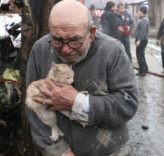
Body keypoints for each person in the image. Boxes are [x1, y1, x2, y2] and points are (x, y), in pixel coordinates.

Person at [25, 0, 138, 156]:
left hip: (111, 152)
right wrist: (60, 151)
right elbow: (32, 109)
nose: (65, 49)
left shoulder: (112, 51)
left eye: (74, 40)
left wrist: (77, 103)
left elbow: (128, 104)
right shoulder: (40, 49)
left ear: (91, 34)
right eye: (57, 40)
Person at [134, 6, 149, 76]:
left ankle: (142, 71)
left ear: (142, 12)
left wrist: (139, 40)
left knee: (139, 55)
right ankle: (145, 68)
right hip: (142, 40)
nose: (138, 12)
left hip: (142, 40)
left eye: (138, 11)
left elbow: (142, 32)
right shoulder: (143, 19)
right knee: (141, 55)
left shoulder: (144, 20)